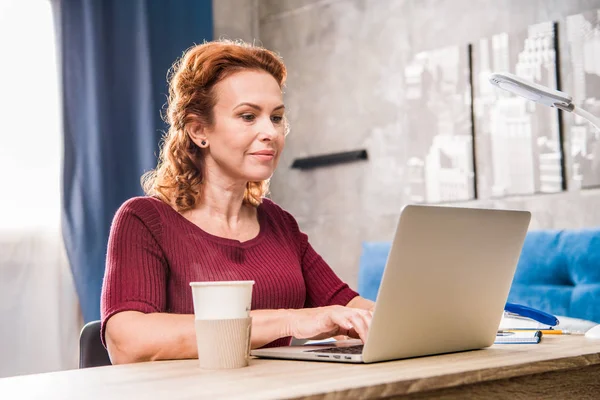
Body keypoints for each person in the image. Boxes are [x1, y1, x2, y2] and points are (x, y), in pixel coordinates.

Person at [101, 40, 375, 365]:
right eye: (248, 116)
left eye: (276, 118)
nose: (270, 132)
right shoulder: (143, 220)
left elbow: (346, 306)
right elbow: (128, 343)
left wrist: (417, 320)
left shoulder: (279, 223)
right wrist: (289, 321)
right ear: (199, 130)